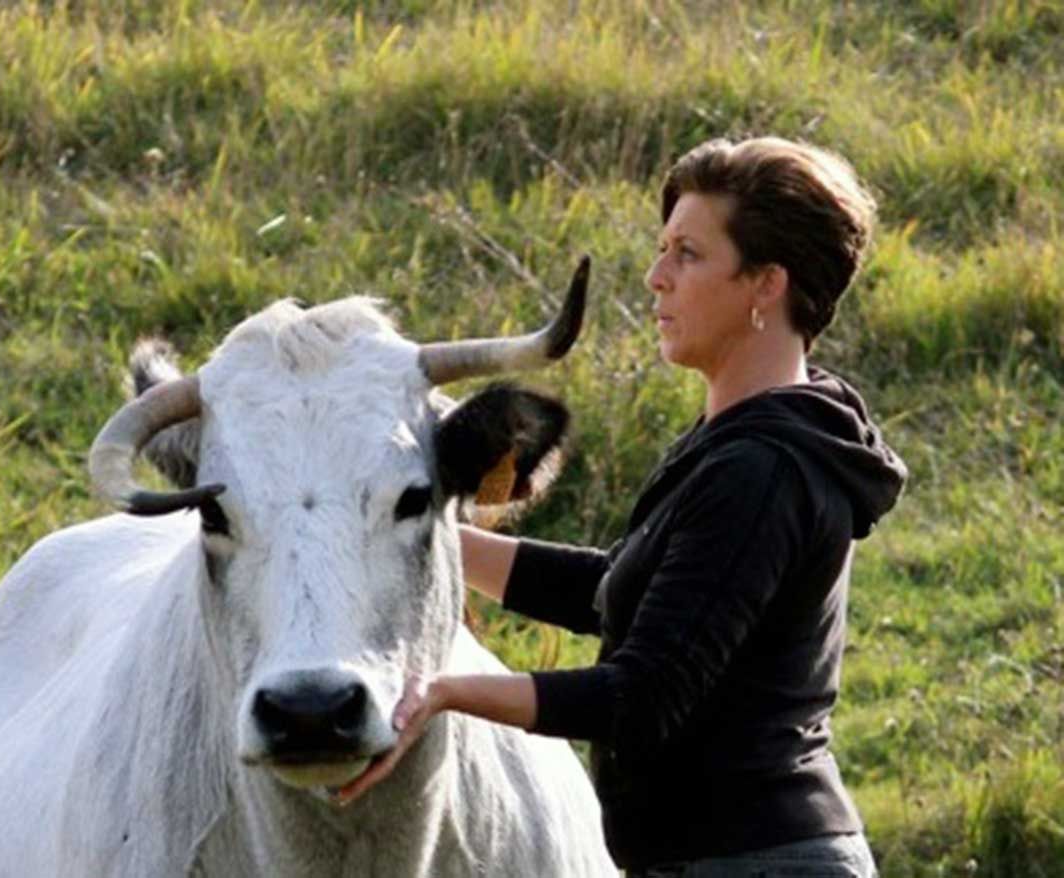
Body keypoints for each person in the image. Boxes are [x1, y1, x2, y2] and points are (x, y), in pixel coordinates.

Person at [338, 136, 907, 877]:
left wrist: (444, 693)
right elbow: (619, 592)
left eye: (687, 255)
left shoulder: (763, 469)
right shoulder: (743, 440)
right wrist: (428, 535)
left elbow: (642, 696)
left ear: (766, 284)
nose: (655, 277)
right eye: (662, 249)